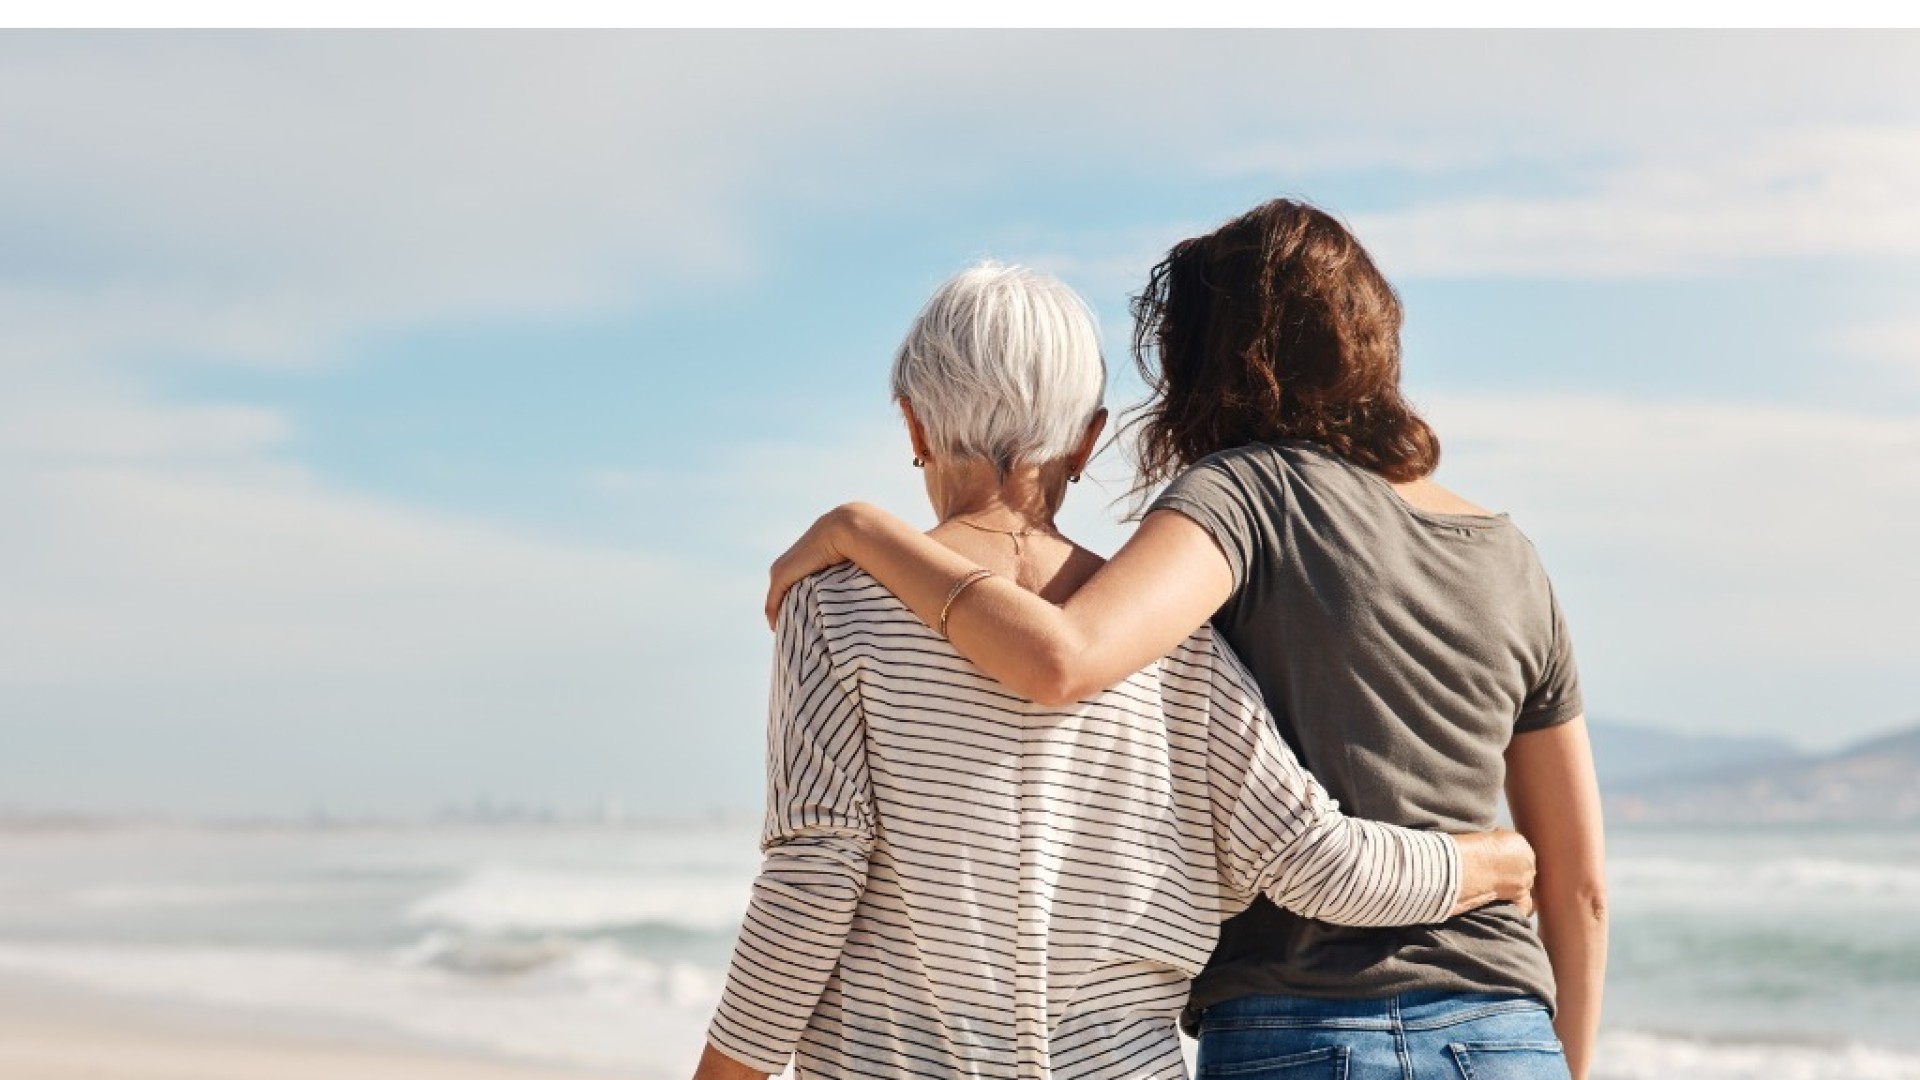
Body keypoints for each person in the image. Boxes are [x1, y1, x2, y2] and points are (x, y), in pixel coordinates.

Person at [766, 203, 1608, 1080]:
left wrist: (863, 529)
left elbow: (1062, 657)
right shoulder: (1512, 556)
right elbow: (1581, 890)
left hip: (1298, 1031)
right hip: (1508, 1035)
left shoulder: (1244, 495)